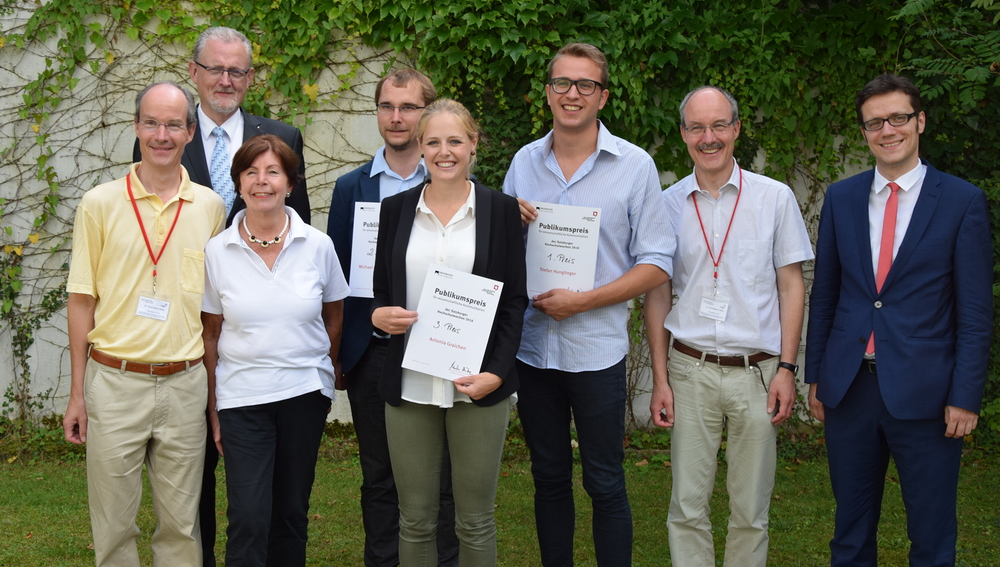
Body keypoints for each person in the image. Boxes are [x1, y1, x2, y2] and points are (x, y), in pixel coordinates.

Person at [132, 26, 312, 564]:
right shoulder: (167, 135)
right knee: (192, 470)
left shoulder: (282, 134)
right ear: (194, 74)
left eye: (237, 71)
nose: (226, 80)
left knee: (264, 488)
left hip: (258, 332)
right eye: (215, 68)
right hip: (185, 325)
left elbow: (300, 233)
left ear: (250, 78)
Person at [805, 74, 992, 567]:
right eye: (874, 122)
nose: (887, 130)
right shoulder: (841, 198)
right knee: (849, 535)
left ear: (920, 121)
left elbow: (974, 313)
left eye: (898, 118)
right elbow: (825, 294)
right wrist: (817, 375)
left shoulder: (961, 201)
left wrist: (965, 396)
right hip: (850, 390)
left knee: (931, 539)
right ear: (864, 132)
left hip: (928, 395)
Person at [503, 43, 675, 566]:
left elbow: (657, 263)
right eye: (562, 83)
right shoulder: (523, 162)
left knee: (605, 481)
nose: (571, 94)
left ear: (602, 96)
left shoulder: (635, 165)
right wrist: (509, 223)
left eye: (585, 85)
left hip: (597, 349)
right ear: (548, 92)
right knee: (548, 477)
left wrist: (585, 301)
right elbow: (499, 253)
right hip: (534, 352)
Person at [643, 86, 813, 567]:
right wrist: (659, 378)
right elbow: (657, 293)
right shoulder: (668, 204)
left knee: (751, 510)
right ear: (683, 135)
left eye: (719, 125)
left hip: (757, 374)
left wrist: (787, 368)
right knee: (686, 508)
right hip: (690, 371)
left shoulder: (774, 198)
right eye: (697, 127)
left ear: (737, 129)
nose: (709, 137)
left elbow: (791, 287)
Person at [62, 81, 226, 565]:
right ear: (136, 127)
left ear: (190, 133)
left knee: (182, 527)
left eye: (173, 124)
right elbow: (80, 300)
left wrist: (214, 395)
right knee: (113, 527)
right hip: (114, 382)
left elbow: (214, 311)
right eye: (151, 122)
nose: (161, 134)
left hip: (184, 384)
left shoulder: (211, 208)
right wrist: (77, 393)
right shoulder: (99, 203)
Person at [371, 98, 527, 566]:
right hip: (412, 383)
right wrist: (380, 317)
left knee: (475, 521)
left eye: (455, 140)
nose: (444, 151)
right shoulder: (395, 210)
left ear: (473, 145)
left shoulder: (501, 211)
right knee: (415, 519)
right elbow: (380, 295)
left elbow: (514, 302)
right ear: (420, 147)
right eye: (433, 141)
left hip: (477, 385)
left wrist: (497, 374)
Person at [327, 68, 460, 567]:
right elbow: (337, 280)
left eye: (408, 107)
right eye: (387, 106)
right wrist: (339, 353)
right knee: (379, 479)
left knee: (442, 479)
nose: (396, 117)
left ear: (427, 113)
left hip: (441, 349)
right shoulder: (350, 188)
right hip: (373, 354)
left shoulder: (454, 178)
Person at [201, 134, 349, 565]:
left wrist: (323, 374)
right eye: (251, 172)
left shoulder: (318, 246)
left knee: (290, 513)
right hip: (242, 397)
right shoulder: (217, 251)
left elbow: (334, 317)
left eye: (272, 172)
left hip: (304, 394)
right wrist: (214, 408)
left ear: (290, 183)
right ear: (239, 183)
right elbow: (211, 333)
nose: (261, 182)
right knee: (247, 516)